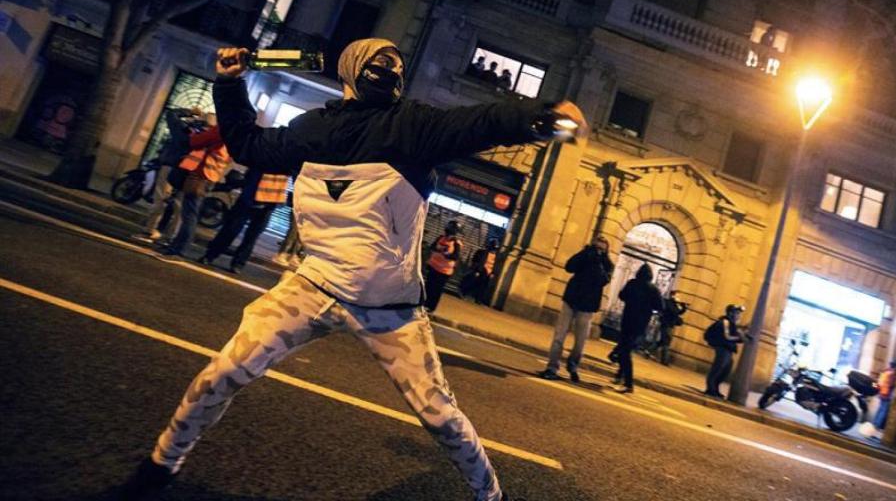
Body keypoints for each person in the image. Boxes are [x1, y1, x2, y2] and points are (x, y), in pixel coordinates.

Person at [118, 37, 588, 501]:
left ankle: (491, 495)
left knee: (440, 416)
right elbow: (248, 145)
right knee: (220, 374)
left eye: (397, 64)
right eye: (380, 61)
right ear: (351, 68)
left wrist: (541, 118)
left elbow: (482, 121)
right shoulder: (312, 129)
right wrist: (229, 83)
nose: (392, 70)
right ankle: (161, 464)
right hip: (312, 286)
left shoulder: (413, 126)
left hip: (392, 309)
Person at [538, 236, 613, 383]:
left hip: (587, 306)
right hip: (571, 300)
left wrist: (598, 262)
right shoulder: (584, 255)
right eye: (595, 247)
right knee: (559, 336)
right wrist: (585, 254)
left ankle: (573, 366)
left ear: (606, 251)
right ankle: (552, 367)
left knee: (580, 341)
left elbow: (603, 280)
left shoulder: (607, 264)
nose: (598, 251)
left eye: (601, 249)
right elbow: (569, 267)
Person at [155, 112, 231, 257]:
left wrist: (195, 135)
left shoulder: (223, 129)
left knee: (189, 214)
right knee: (190, 212)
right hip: (211, 175)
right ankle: (176, 246)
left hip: (200, 174)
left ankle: (179, 249)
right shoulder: (236, 132)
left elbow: (196, 141)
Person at [134, 108, 203, 243]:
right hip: (189, 170)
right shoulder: (205, 138)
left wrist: (190, 112)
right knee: (180, 205)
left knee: (160, 199)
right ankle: (170, 237)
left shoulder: (181, 129)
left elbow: (171, 113)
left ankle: (150, 231)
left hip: (171, 166)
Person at [199, 169, 289, 272]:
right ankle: (212, 256)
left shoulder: (285, 160)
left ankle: (236, 263)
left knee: (249, 236)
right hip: (251, 197)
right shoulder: (269, 157)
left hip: (267, 202)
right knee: (231, 230)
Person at [609, 264, 662, 393]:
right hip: (641, 323)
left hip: (627, 319)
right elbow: (660, 306)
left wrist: (631, 301)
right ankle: (621, 376)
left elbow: (622, 296)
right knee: (626, 349)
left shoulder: (632, 283)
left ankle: (628, 383)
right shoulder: (654, 289)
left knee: (624, 349)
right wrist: (649, 310)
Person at [703, 303, 746, 398]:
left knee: (726, 370)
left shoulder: (732, 324)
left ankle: (715, 388)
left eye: (739, 313)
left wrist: (741, 336)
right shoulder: (725, 322)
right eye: (736, 313)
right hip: (723, 348)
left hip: (728, 349)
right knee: (718, 368)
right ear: (730, 313)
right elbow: (727, 336)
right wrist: (740, 337)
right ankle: (710, 389)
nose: (738, 316)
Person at [424, 219, 463, 313]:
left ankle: (431, 307)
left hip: (444, 271)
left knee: (436, 289)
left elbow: (455, 256)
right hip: (433, 266)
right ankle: (424, 304)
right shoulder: (440, 238)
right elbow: (432, 247)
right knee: (428, 286)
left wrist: (446, 254)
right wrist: (439, 250)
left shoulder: (456, 243)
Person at [459, 237, 499, 304]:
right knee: (474, 283)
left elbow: (495, 266)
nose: (494, 250)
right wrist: (477, 270)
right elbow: (478, 262)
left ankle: (478, 299)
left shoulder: (496, 256)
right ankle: (464, 292)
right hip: (482, 271)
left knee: (483, 286)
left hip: (488, 273)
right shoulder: (483, 252)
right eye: (493, 248)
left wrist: (492, 273)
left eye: (495, 249)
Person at [656, 291, 687, 366]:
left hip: (671, 325)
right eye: (677, 296)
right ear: (672, 296)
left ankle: (648, 350)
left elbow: (679, 312)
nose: (678, 298)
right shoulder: (668, 302)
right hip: (666, 324)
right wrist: (677, 304)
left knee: (663, 341)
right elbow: (673, 311)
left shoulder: (675, 304)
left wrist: (684, 307)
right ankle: (664, 360)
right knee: (666, 342)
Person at [873, 359, 896, 431]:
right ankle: (877, 426)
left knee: (880, 409)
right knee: (883, 411)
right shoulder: (892, 374)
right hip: (887, 394)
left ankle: (874, 423)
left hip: (882, 392)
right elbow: (891, 384)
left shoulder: (885, 371)